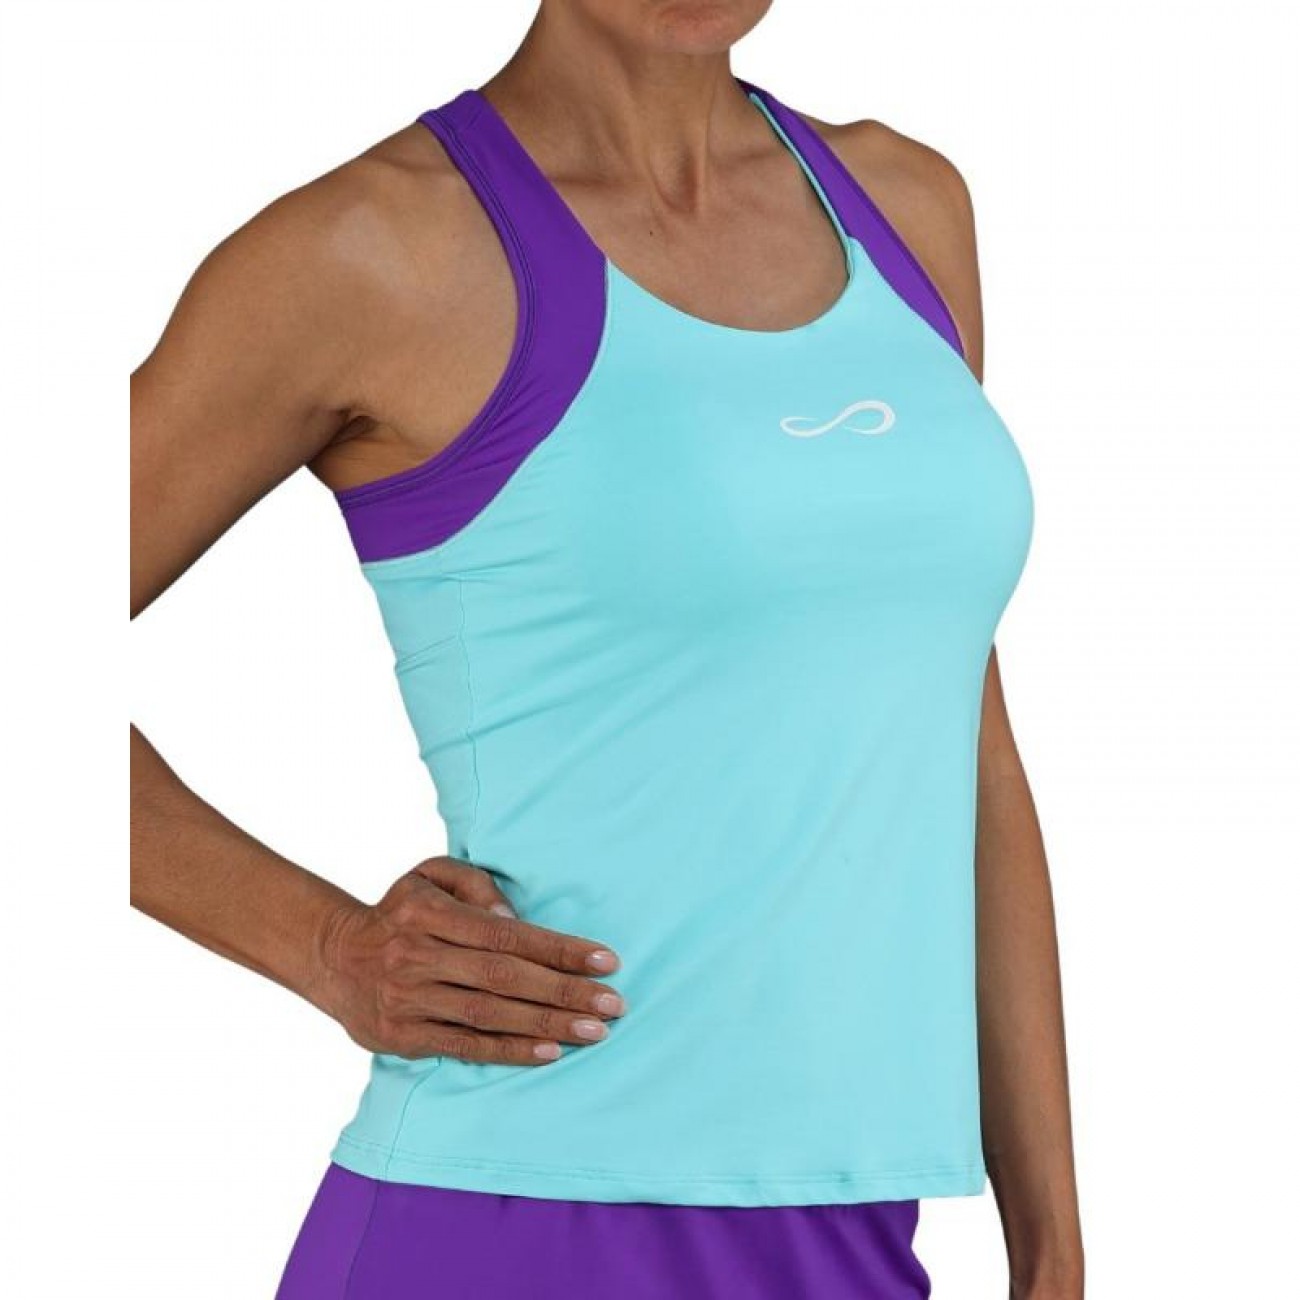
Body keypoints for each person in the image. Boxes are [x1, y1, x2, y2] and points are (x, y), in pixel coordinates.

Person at [130, 2, 1084, 1296]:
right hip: (508, 1224)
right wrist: (325, 948)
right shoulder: (373, 250)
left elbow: (969, 754)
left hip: (855, 1233)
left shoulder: (908, 205)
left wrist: (1052, 1248)